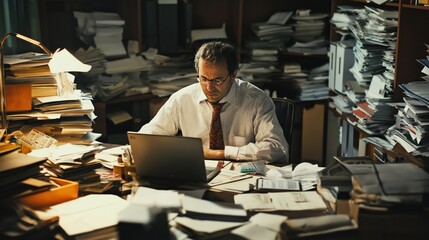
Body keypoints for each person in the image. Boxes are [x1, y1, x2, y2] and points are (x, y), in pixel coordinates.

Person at [139, 41, 288, 163]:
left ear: (233, 75)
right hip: (195, 171)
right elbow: (149, 134)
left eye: (217, 80)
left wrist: (222, 153)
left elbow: (277, 147)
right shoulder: (182, 98)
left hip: (240, 176)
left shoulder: (257, 100)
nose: (209, 88)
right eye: (203, 79)